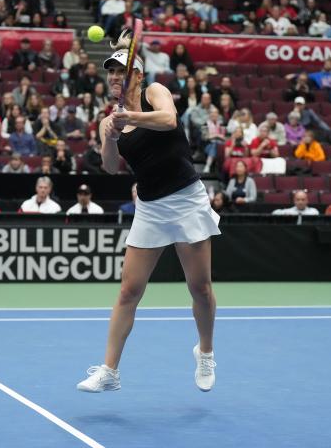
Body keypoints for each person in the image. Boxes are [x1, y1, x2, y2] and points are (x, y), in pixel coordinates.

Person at [76, 30, 220, 394]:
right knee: (128, 292)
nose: (112, 77)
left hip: (187, 199)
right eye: (109, 72)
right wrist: (109, 135)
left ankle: (205, 352)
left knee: (200, 288)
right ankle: (110, 371)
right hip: (151, 209)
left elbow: (169, 120)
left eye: (120, 71)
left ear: (137, 76)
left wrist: (132, 118)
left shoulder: (155, 93)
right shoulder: (109, 118)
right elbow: (110, 167)